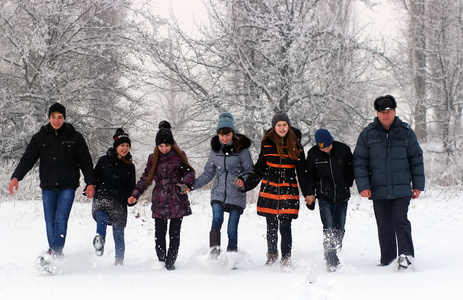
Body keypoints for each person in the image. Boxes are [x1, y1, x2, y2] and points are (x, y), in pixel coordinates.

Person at [8, 102, 95, 259]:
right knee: (50, 223)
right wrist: (16, 177)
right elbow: (28, 159)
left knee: (60, 220)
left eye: (59, 117)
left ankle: (52, 253)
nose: (56, 121)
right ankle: (56, 255)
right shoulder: (40, 137)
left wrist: (90, 183)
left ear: (64, 118)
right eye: (53, 117)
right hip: (48, 186)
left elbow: (86, 161)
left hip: (68, 185)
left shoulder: (75, 137)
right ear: (49, 118)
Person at [353, 95, 425, 269]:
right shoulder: (368, 134)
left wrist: (418, 185)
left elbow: (416, 159)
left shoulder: (406, 132)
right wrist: (363, 186)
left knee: (400, 219)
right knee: (384, 223)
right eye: (382, 112)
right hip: (377, 188)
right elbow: (359, 161)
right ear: (376, 113)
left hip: (401, 188)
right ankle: (388, 260)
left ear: (394, 111)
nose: (386, 115)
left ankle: (406, 257)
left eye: (389, 111)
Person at [245, 111, 309, 268]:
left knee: (286, 225)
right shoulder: (267, 143)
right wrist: (248, 184)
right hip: (270, 187)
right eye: (279, 125)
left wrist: (308, 193)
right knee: (271, 224)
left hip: (288, 187)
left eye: (284, 125)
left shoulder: (296, 144)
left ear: (288, 126)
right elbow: (260, 167)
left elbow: (302, 172)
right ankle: (272, 254)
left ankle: (286, 258)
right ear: (274, 127)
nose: (282, 128)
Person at [128, 121, 195, 270]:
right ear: (157, 146)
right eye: (161, 146)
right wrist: (135, 195)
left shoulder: (179, 156)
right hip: (159, 198)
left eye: (167, 145)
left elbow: (189, 172)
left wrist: (186, 184)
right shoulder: (153, 158)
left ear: (172, 144)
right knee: (159, 232)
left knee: (174, 233)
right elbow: (146, 177)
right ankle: (161, 261)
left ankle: (171, 263)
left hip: (177, 197)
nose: (164, 149)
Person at [188, 112, 254, 259]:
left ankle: (231, 257)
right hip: (218, 193)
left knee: (232, 229)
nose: (224, 138)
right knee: (216, 220)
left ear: (233, 133)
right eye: (221, 134)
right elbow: (208, 174)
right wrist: (191, 186)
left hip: (236, 194)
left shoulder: (242, 150)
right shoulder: (215, 151)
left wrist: (243, 179)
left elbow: (250, 170)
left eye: (228, 134)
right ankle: (214, 255)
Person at [305, 128, 354, 272]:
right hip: (324, 196)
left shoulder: (343, 150)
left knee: (340, 228)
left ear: (332, 141)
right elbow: (310, 176)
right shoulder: (313, 154)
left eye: (328, 146)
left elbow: (351, 169)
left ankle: (336, 252)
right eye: (323, 148)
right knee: (328, 228)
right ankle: (331, 260)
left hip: (342, 196)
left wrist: (347, 183)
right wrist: (310, 193)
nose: (326, 150)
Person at [92, 128, 136, 266]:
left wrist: (131, 198)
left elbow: (131, 187)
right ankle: (100, 240)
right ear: (116, 146)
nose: (125, 148)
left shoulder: (130, 166)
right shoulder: (104, 161)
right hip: (102, 197)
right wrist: (89, 187)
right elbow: (93, 177)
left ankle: (119, 262)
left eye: (127, 146)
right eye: (122, 145)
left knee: (118, 233)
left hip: (119, 202)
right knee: (102, 217)